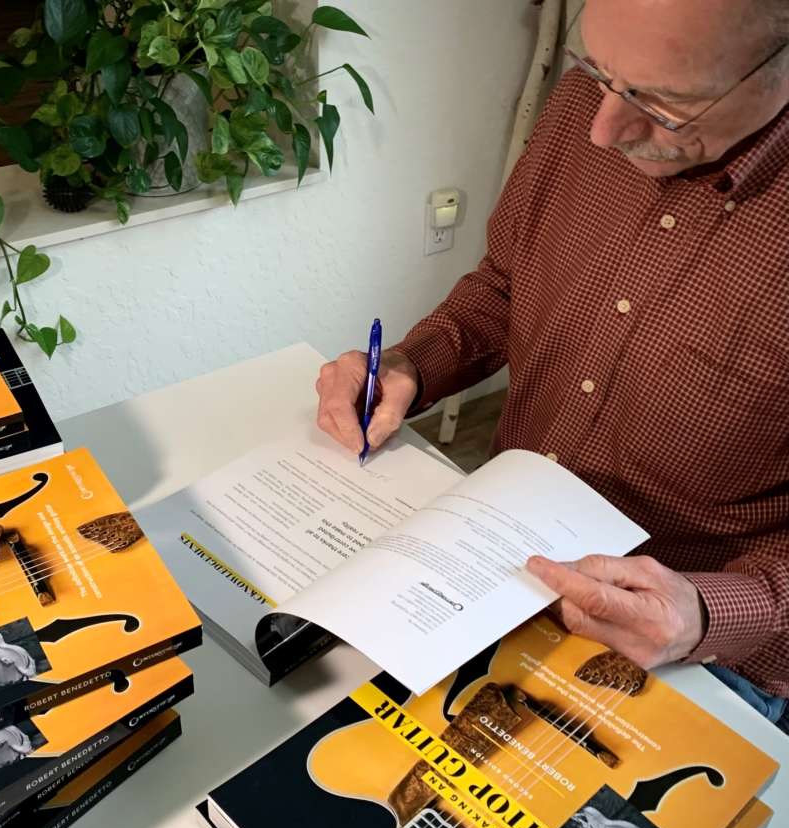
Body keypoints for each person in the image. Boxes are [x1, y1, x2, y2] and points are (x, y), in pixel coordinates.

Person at [315, 0, 789, 730]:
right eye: (597, 70)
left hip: (700, 646)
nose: (603, 128)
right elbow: (508, 282)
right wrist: (412, 365)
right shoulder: (589, 103)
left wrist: (703, 612)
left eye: (662, 105)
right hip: (497, 560)